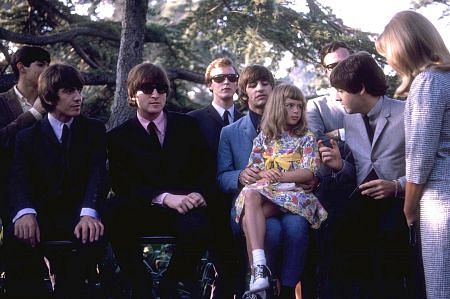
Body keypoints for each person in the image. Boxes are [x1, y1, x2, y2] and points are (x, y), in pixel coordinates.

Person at [106, 62, 211, 298]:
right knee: (114, 212)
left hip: (185, 207)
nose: (155, 94)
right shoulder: (118, 137)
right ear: (133, 93)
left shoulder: (188, 126)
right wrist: (164, 198)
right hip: (143, 207)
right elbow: (122, 184)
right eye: (147, 88)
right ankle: (140, 284)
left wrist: (199, 193)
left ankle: (170, 284)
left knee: (200, 225)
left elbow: (205, 168)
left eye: (161, 89)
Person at [4, 63, 107, 299]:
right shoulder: (27, 137)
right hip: (41, 216)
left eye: (79, 91)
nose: (78, 97)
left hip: (79, 216)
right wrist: (25, 212)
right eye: (69, 91)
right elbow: (18, 179)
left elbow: (98, 174)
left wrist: (89, 212)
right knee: (15, 238)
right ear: (50, 97)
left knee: (93, 239)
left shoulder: (94, 131)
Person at [217, 65, 319, 298]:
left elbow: (313, 166)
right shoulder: (231, 132)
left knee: (296, 227)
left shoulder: (303, 132)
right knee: (271, 231)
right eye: (253, 85)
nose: (260, 89)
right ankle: (261, 284)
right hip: (258, 204)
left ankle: (287, 289)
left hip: (292, 199)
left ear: (275, 91)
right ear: (243, 92)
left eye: (265, 83)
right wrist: (242, 176)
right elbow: (222, 177)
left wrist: (314, 180)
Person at [323, 51, 411, 298]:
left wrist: (396, 186)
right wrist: (341, 166)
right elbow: (360, 169)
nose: (338, 98)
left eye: (341, 91)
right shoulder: (350, 120)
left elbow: (429, 165)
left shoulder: (407, 114)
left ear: (360, 88)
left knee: (385, 255)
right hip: (362, 204)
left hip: (400, 203)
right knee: (333, 235)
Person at [376, 10, 450, 299]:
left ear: (403, 48)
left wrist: (408, 207)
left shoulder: (429, 82)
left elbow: (420, 158)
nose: (389, 63)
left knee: (441, 288)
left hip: (441, 204)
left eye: (388, 55)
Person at [188, 58, 243, 298]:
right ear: (209, 84)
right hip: (205, 205)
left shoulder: (248, 120)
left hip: (241, 203)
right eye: (219, 78)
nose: (226, 82)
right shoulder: (192, 121)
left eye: (231, 78)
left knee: (239, 272)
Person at [0, 46, 50, 225]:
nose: (47, 70)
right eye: (40, 65)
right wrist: (34, 114)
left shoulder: (53, 101)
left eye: (48, 65)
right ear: (21, 67)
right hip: (8, 192)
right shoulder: (2, 102)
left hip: (48, 193)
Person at [306, 41, 352, 143]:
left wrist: (338, 134)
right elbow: (316, 143)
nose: (340, 69)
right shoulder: (316, 107)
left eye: (345, 63)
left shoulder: (371, 98)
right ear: (325, 71)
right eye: (333, 66)